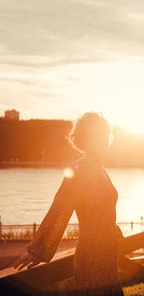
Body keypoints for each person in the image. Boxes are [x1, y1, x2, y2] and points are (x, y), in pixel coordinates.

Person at [13, 112, 124, 295]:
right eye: (96, 135)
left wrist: (111, 228)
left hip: (108, 252)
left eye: (105, 134)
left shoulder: (100, 169)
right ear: (84, 139)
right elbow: (60, 209)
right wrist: (38, 250)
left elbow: (101, 208)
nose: (103, 140)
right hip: (91, 254)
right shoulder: (78, 170)